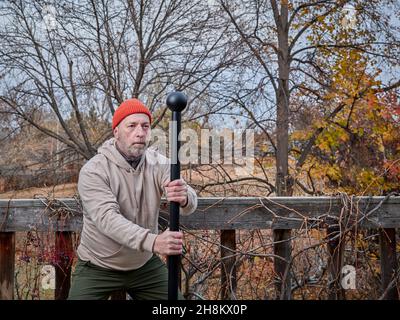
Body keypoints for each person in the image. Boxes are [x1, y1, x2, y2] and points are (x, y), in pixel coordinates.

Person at [68, 98, 197, 300]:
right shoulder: (94, 170)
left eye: (145, 126)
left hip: (143, 265)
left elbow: (188, 200)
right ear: (116, 131)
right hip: (98, 265)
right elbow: (107, 219)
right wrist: (154, 242)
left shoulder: (158, 163)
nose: (140, 132)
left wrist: (184, 198)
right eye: (132, 126)